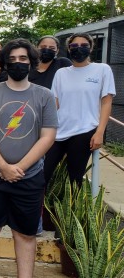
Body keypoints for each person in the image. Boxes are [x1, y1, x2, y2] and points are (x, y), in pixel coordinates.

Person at [0, 38, 58, 278]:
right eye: (12, 60)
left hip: (28, 177)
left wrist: (18, 167)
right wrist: (2, 166)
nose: (18, 63)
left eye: (23, 59)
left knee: (25, 234)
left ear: (31, 62)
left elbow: (48, 136)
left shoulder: (45, 96)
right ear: (4, 64)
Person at [44, 33, 116, 187]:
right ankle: (37, 210)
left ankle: (73, 210)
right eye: (74, 46)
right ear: (69, 49)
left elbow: (106, 102)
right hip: (59, 130)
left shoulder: (102, 69)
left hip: (85, 130)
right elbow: (54, 104)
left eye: (84, 45)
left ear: (91, 48)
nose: (79, 49)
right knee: (42, 173)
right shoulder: (61, 73)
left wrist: (99, 132)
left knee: (74, 178)